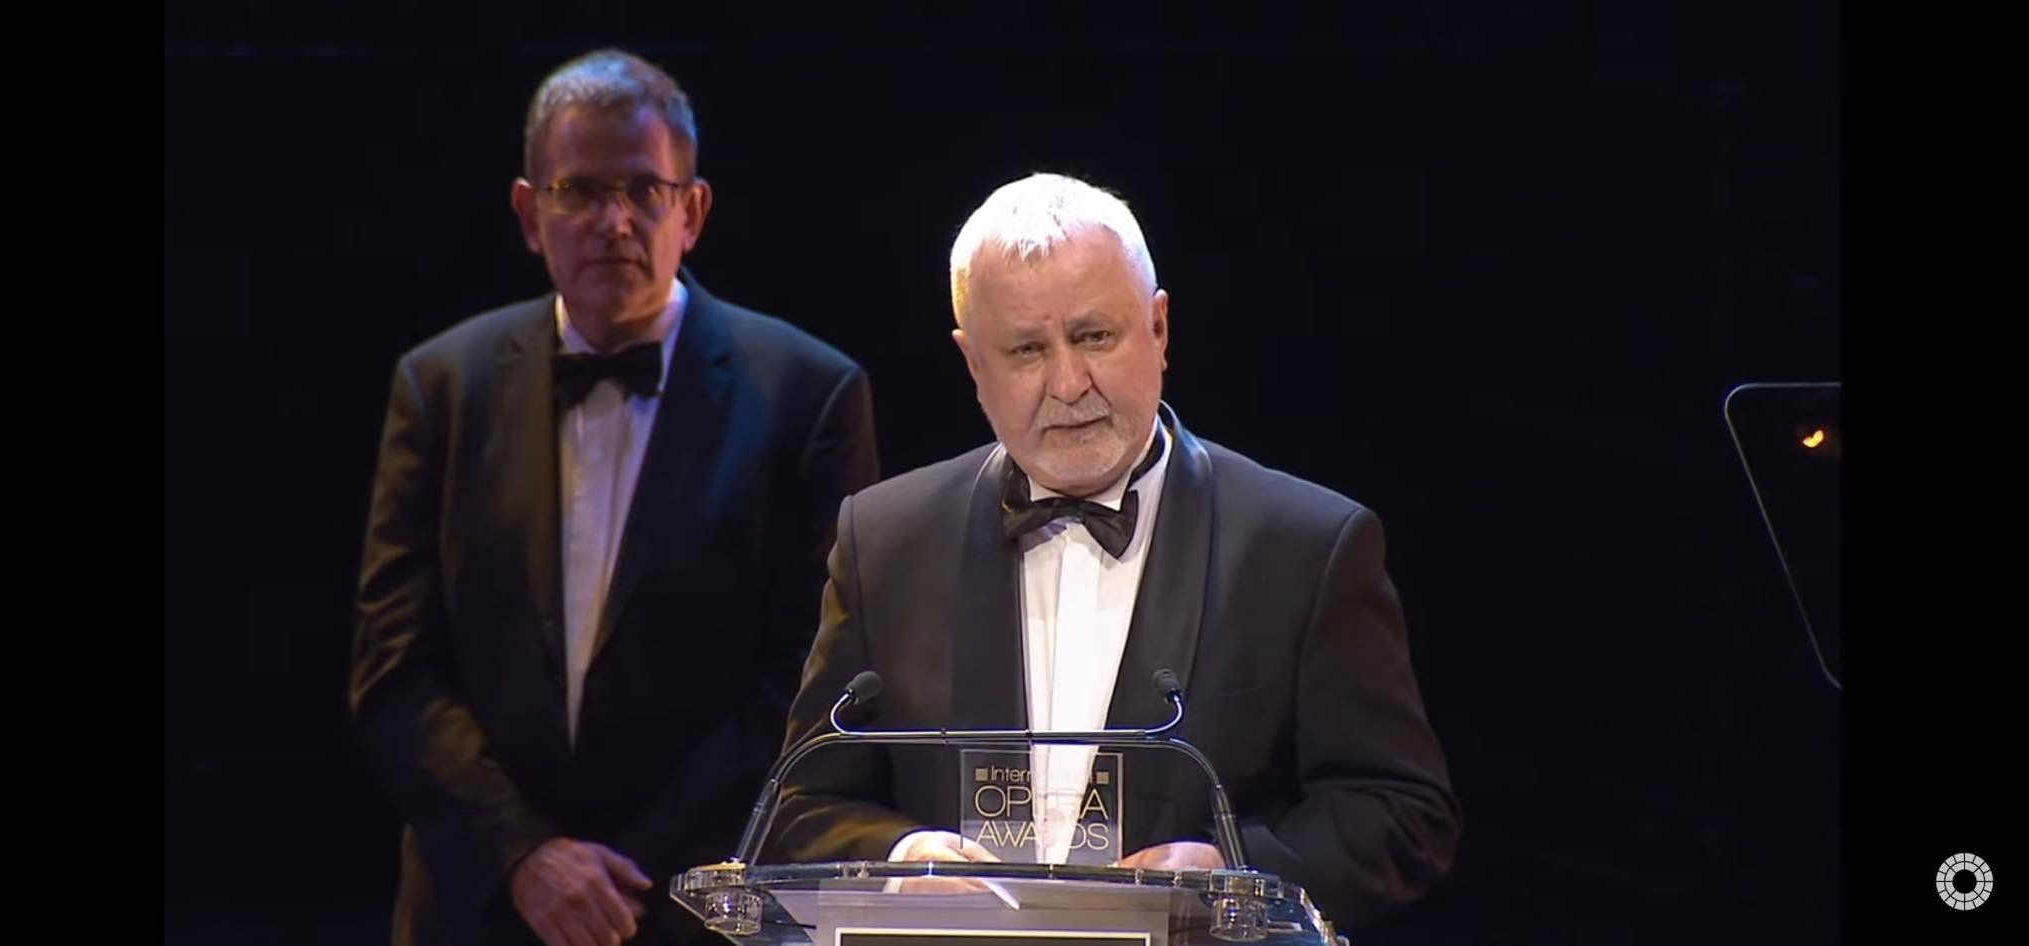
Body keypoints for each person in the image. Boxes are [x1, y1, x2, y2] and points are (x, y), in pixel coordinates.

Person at [766, 172, 1459, 930]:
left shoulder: (1306, 546)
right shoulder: (886, 540)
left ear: (1159, 329)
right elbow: (804, 802)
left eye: (1094, 336)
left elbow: (1401, 812)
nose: (1068, 384)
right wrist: (903, 859)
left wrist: (1233, 874)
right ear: (973, 365)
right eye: (1026, 350)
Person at [349, 49, 880, 946]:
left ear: (692, 211)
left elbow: (811, 682)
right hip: (480, 905)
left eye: (644, 190)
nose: (615, 221)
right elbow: (394, 670)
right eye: (581, 191)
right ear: (530, 213)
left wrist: (631, 873)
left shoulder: (808, 395)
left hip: (700, 908)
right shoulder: (440, 386)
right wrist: (525, 855)